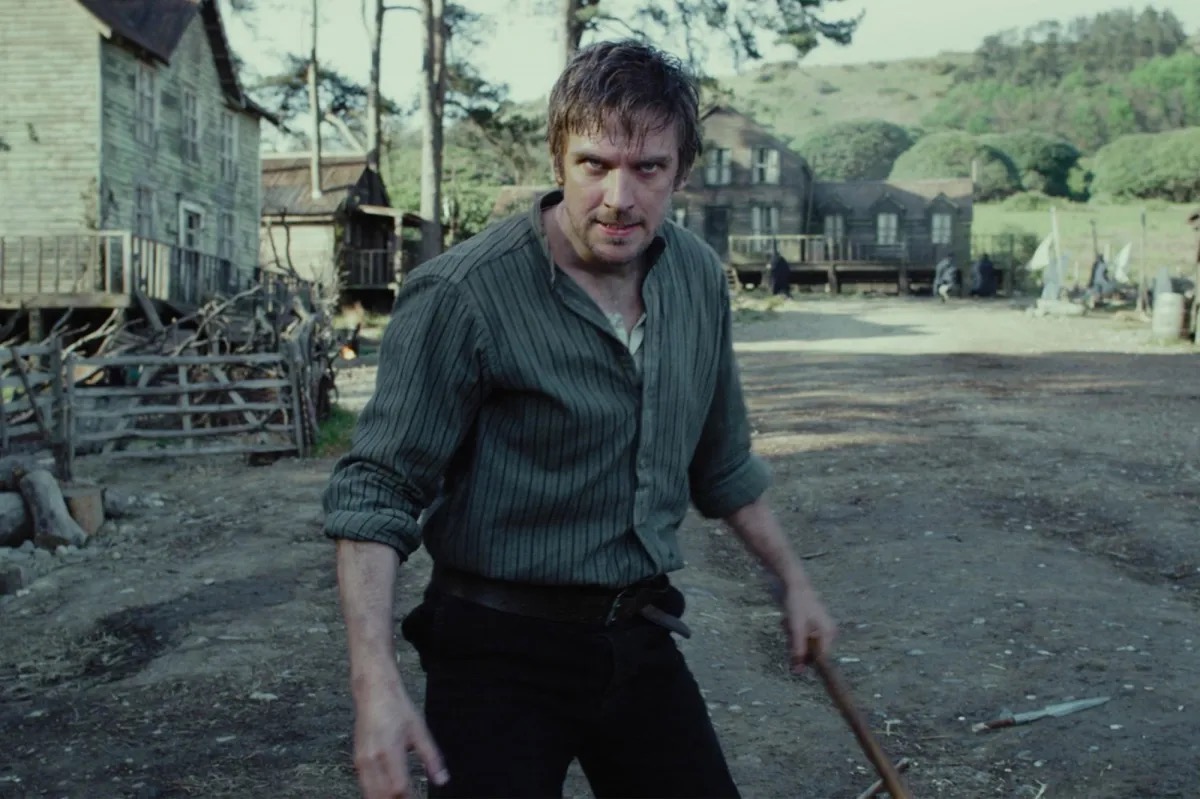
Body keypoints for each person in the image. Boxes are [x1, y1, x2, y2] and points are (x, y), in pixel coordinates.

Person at [322, 39, 837, 799]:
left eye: (648, 168)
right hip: (494, 649)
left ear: (681, 173)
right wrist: (375, 685)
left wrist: (795, 581)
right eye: (595, 164)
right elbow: (377, 492)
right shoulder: (463, 295)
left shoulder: (696, 278)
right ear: (558, 159)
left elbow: (722, 463)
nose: (620, 197)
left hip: (638, 633)